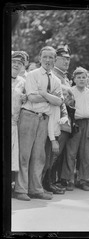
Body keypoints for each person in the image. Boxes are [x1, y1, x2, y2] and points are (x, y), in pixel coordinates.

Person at [14, 46, 63, 201]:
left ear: (55, 60)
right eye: (45, 57)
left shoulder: (56, 80)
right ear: (40, 59)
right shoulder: (33, 75)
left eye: (51, 57)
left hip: (44, 118)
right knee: (24, 154)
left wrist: (42, 93)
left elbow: (60, 101)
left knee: (39, 156)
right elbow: (32, 98)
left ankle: (35, 188)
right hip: (28, 116)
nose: (48, 60)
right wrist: (49, 96)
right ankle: (21, 189)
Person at [42, 45, 73, 194]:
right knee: (52, 153)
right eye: (63, 58)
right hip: (54, 120)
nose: (66, 62)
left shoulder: (65, 77)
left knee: (57, 154)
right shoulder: (54, 75)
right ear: (56, 59)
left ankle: (50, 181)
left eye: (68, 59)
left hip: (64, 121)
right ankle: (45, 182)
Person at [60, 67, 89, 191]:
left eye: (84, 77)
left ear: (87, 79)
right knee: (71, 152)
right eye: (78, 77)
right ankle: (69, 179)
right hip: (75, 123)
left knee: (85, 153)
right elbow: (67, 108)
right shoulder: (71, 91)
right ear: (74, 79)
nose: (81, 80)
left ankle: (83, 180)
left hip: (87, 123)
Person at [11, 51, 26, 190]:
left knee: (12, 155)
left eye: (19, 63)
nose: (16, 65)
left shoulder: (23, 81)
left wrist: (24, 98)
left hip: (15, 123)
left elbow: (25, 99)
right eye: (14, 62)